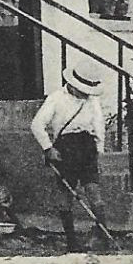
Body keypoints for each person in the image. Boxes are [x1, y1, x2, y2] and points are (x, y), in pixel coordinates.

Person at [31, 64, 108, 251]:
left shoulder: (91, 101)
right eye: (82, 90)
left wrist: (99, 150)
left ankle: (102, 235)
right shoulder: (56, 99)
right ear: (72, 85)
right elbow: (37, 125)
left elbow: (99, 125)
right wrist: (48, 148)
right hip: (66, 149)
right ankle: (71, 240)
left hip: (87, 147)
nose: (85, 94)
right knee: (66, 194)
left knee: (93, 192)